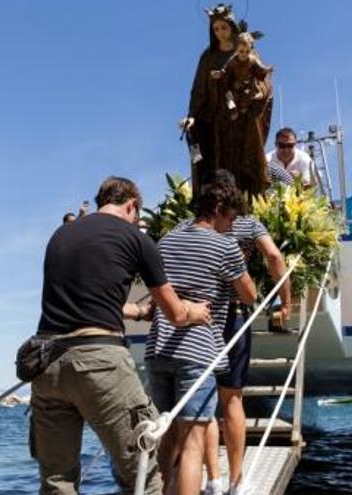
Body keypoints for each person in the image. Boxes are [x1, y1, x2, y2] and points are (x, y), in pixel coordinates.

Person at [31, 177, 212, 495]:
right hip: (100, 362)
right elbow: (176, 314)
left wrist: (140, 312)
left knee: (57, 482)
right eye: (136, 216)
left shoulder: (61, 235)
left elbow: (93, 300)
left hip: (46, 363)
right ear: (131, 205)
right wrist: (196, 312)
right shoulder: (135, 238)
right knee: (143, 475)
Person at [146, 178, 258, 495]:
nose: (231, 225)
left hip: (158, 349)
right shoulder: (225, 246)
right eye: (231, 218)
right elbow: (249, 295)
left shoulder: (165, 241)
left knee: (166, 435)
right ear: (218, 210)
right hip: (198, 352)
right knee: (193, 443)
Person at [196, 172, 292, 495]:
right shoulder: (249, 224)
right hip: (236, 313)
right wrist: (285, 302)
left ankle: (212, 479)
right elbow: (275, 257)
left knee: (205, 398)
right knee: (232, 399)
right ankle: (237, 481)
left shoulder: (198, 225)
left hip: (203, 315)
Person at [180, 5, 242, 194]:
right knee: (207, 155)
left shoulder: (243, 51)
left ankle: (237, 195)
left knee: (234, 159)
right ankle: (210, 196)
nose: (221, 33)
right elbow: (198, 88)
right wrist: (192, 115)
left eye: (224, 28)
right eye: (216, 29)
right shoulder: (207, 57)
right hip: (211, 115)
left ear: (232, 27)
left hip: (236, 114)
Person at [212, 29, 274, 197]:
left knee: (251, 141)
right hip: (235, 97)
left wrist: (267, 72)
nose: (244, 54)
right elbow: (225, 75)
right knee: (230, 100)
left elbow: (262, 73)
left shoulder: (253, 60)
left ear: (251, 49)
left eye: (247, 51)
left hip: (248, 97)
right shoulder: (232, 62)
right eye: (241, 51)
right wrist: (220, 75)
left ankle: (253, 180)